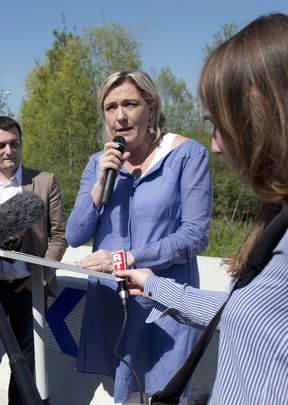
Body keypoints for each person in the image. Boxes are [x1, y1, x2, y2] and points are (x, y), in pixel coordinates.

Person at [114, 13, 288, 404]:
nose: (215, 145)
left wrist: (134, 258)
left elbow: (194, 233)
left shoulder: (186, 155)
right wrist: (154, 285)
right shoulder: (277, 220)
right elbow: (244, 313)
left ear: (265, 116)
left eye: (220, 124)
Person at [65, 70, 212, 403]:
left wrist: (126, 258)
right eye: (110, 106)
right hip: (114, 302)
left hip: (165, 303)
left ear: (151, 106)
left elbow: (194, 236)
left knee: (166, 392)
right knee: (125, 394)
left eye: (130, 103)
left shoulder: (187, 155)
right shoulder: (98, 163)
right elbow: (75, 235)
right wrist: (100, 183)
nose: (120, 116)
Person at [0, 116, 68, 404]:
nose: (8, 150)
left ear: (21, 144)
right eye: (1, 145)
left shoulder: (44, 181)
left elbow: (59, 236)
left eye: (14, 143)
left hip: (27, 290)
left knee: (25, 368)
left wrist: (39, 279)